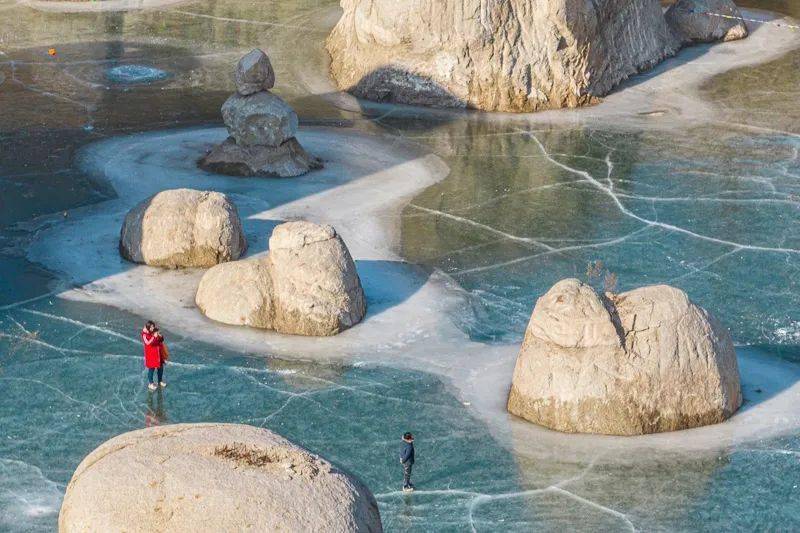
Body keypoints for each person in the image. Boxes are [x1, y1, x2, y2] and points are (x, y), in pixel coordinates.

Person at [141, 321, 166, 391]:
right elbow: (148, 343)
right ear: (148, 327)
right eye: (151, 327)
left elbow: (161, 340)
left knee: (160, 368)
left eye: (153, 326)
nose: (153, 328)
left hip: (158, 353)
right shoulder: (144, 334)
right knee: (151, 369)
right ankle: (151, 383)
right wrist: (154, 337)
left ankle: (160, 381)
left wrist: (160, 336)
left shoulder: (154, 331)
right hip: (151, 355)